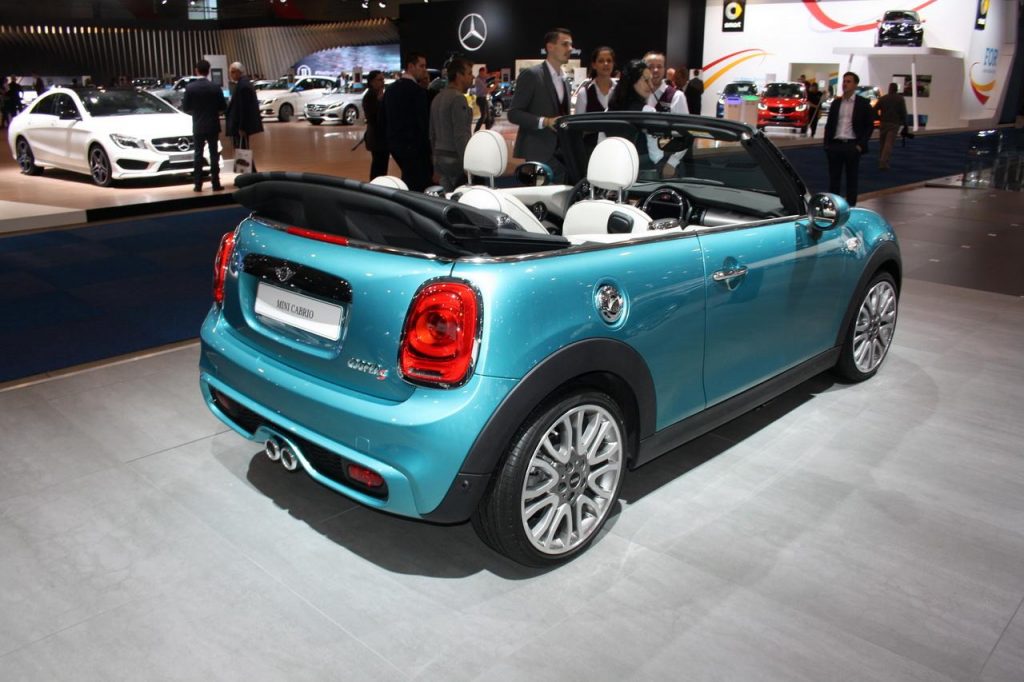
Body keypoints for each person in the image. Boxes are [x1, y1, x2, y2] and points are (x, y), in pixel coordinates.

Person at [508, 27, 574, 181]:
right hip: (538, 153)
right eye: (565, 44)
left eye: (571, 45)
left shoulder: (565, 81)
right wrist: (545, 121)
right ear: (550, 47)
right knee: (538, 195)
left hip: (562, 154)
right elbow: (514, 113)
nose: (570, 49)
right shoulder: (532, 75)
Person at [381, 51, 432, 191]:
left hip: (396, 146)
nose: (424, 70)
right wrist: (428, 150)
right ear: (410, 66)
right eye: (421, 66)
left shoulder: (390, 90)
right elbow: (422, 124)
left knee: (408, 179)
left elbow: (383, 119)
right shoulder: (417, 92)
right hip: (415, 148)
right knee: (419, 185)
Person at [823, 71, 875, 206]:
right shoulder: (836, 103)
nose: (845, 84)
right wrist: (827, 145)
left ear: (855, 85)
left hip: (852, 146)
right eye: (844, 81)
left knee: (852, 178)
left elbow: (869, 126)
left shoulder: (863, 104)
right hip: (835, 145)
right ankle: (834, 206)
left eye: (848, 81)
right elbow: (830, 124)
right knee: (834, 179)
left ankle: (851, 206)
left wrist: (860, 145)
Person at [181, 59, 227, 192]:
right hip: (213, 124)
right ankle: (216, 183)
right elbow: (222, 107)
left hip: (198, 125)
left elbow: (186, 107)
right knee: (214, 154)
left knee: (198, 155)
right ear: (208, 71)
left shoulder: (190, 88)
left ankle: (198, 184)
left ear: (196, 70)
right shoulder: (215, 87)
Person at [430, 57, 474, 192]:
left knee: (446, 198)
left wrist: (435, 164)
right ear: (459, 76)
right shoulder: (458, 99)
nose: (472, 77)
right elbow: (461, 135)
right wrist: (469, 164)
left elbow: (432, 134)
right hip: (456, 160)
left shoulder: (437, 98)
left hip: (440, 159)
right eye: (469, 73)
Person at [224, 61, 263, 173]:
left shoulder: (243, 86)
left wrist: (241, 127)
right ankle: (250, 172)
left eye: (232, 72)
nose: (231, 75)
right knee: (243, 149)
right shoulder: (243, 84)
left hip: (240, 125)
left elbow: (243, 108)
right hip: (240, 124)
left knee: (243, 149)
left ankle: (249, 173)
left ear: (238, 72)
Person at [361, 70, 389, 180]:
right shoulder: (370, 96)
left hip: (380, 138)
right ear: (372, 82)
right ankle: (376, 185)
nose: (383, 82)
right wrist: (380, 102)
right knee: (379, 167)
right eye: (380, 80)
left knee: (381, 166)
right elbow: (373, 118)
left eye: (383, 79)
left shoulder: (378, 95)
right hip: (377, 138)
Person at [875, 82, 908, 170]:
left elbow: (874, 109)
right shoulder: (900, 99)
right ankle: (883, 162)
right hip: (894, 124)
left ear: (889, 88)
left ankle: (881, 159)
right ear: (896, 89)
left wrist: (878, 118)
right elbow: (903, 112)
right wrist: (905, 124)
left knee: (882, 143)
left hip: (883, 123)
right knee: (889, 143)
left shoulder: (883, 98)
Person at [574, 46, 615, 114]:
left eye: (609, 61)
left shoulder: (620, 91)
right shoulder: (584, 93)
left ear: (613, 64)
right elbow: (579, 119)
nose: (606, 64)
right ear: (594, 65)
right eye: (601, 61)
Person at [473, 66, 493, 132]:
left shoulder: (482, 78)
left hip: (483, 98)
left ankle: (488, 131)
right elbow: (486, 90)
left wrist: (494, 75)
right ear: (481, 72)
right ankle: (476, 131)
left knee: (488, 117)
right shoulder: (478, 80)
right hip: (480, 99)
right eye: (485, 72)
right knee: (484, 116)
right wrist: (495, 85)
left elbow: (489, 76)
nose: (486, 74)